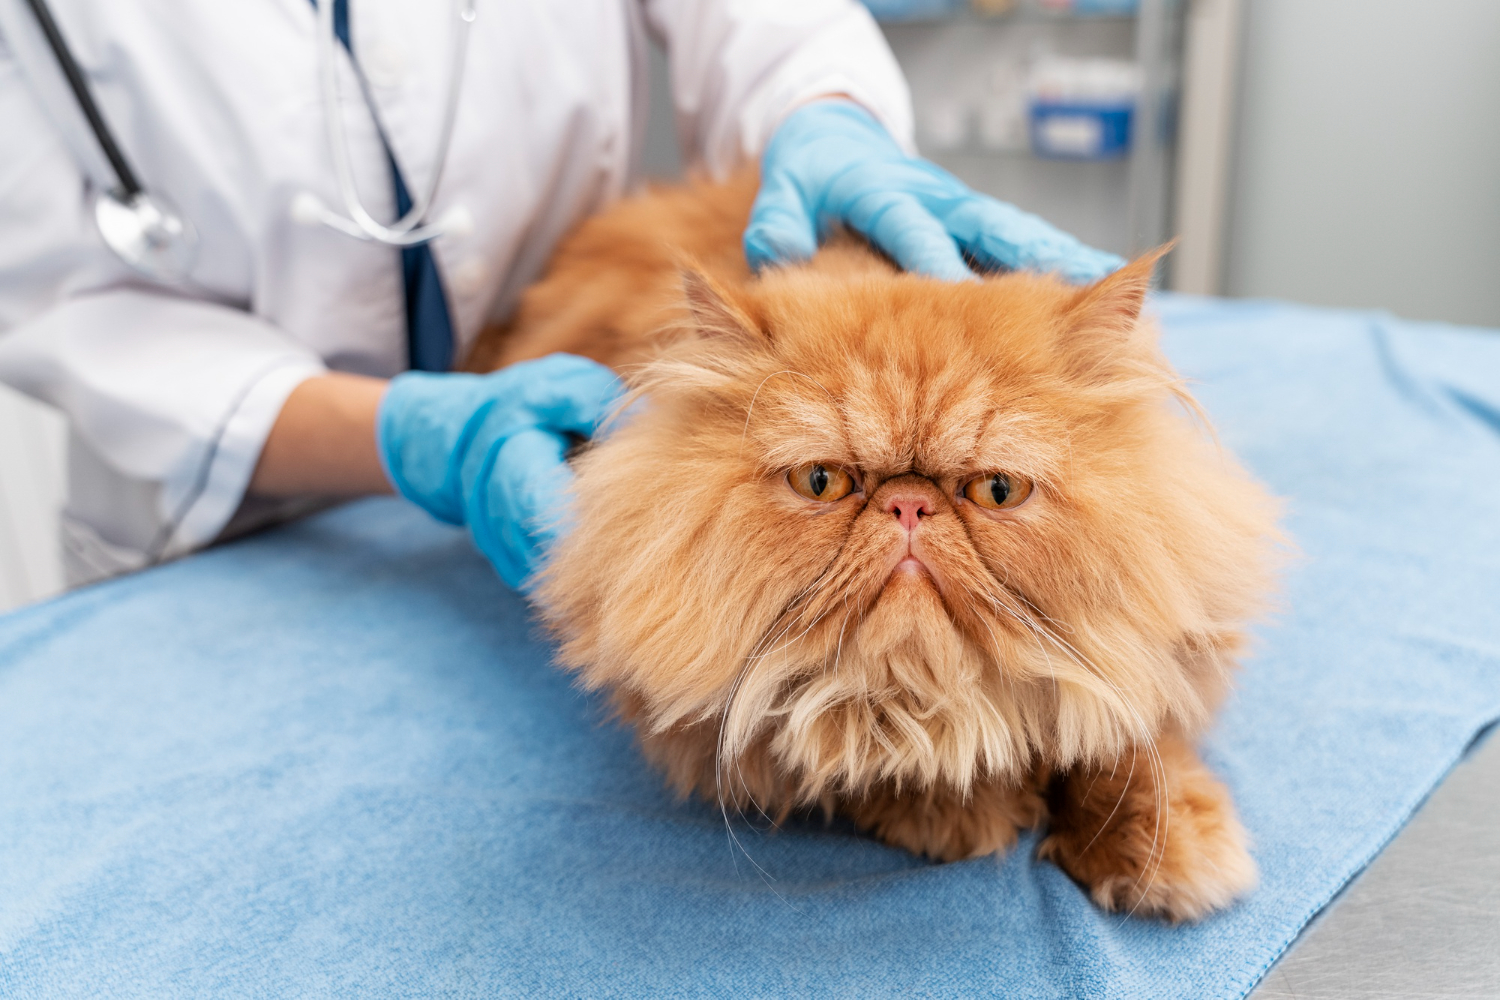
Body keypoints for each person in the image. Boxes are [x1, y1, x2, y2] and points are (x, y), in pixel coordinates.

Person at [0, 0, 1120, 591]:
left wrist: (822, 105)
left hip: (584, 391)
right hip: (229, 506)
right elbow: (64, 299)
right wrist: (411, 432)